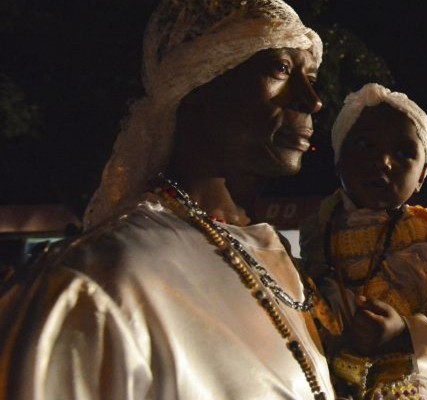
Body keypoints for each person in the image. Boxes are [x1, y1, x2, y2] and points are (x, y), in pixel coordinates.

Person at [0, 1, 335, 399]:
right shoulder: (94, 285)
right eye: (279, 68)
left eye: (310, 77)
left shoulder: (273, 259)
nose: (312, 100)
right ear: (198, 83)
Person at [299, 83, 427, 400]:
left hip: (413, 373)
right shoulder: (319, 227)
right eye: (365, 145)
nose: (383, 162)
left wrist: (403, 332)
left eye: (403, 154)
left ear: (422, 175)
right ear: (339, 158)